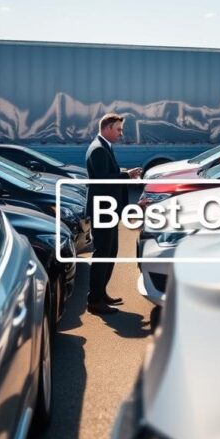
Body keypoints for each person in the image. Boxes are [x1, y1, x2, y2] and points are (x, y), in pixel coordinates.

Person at [85, 113, 142, 314]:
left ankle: (101, 294)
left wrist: (124, 172)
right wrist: (126, 175)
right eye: (118, 129)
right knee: (102, 254)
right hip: (103, 209)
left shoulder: (103, 147)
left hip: (107, 209)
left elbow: (107, 173)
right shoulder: (99, 149)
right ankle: (94, 301)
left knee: (110, 252)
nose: (121, 133)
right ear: (107, 128)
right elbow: (103, 179)